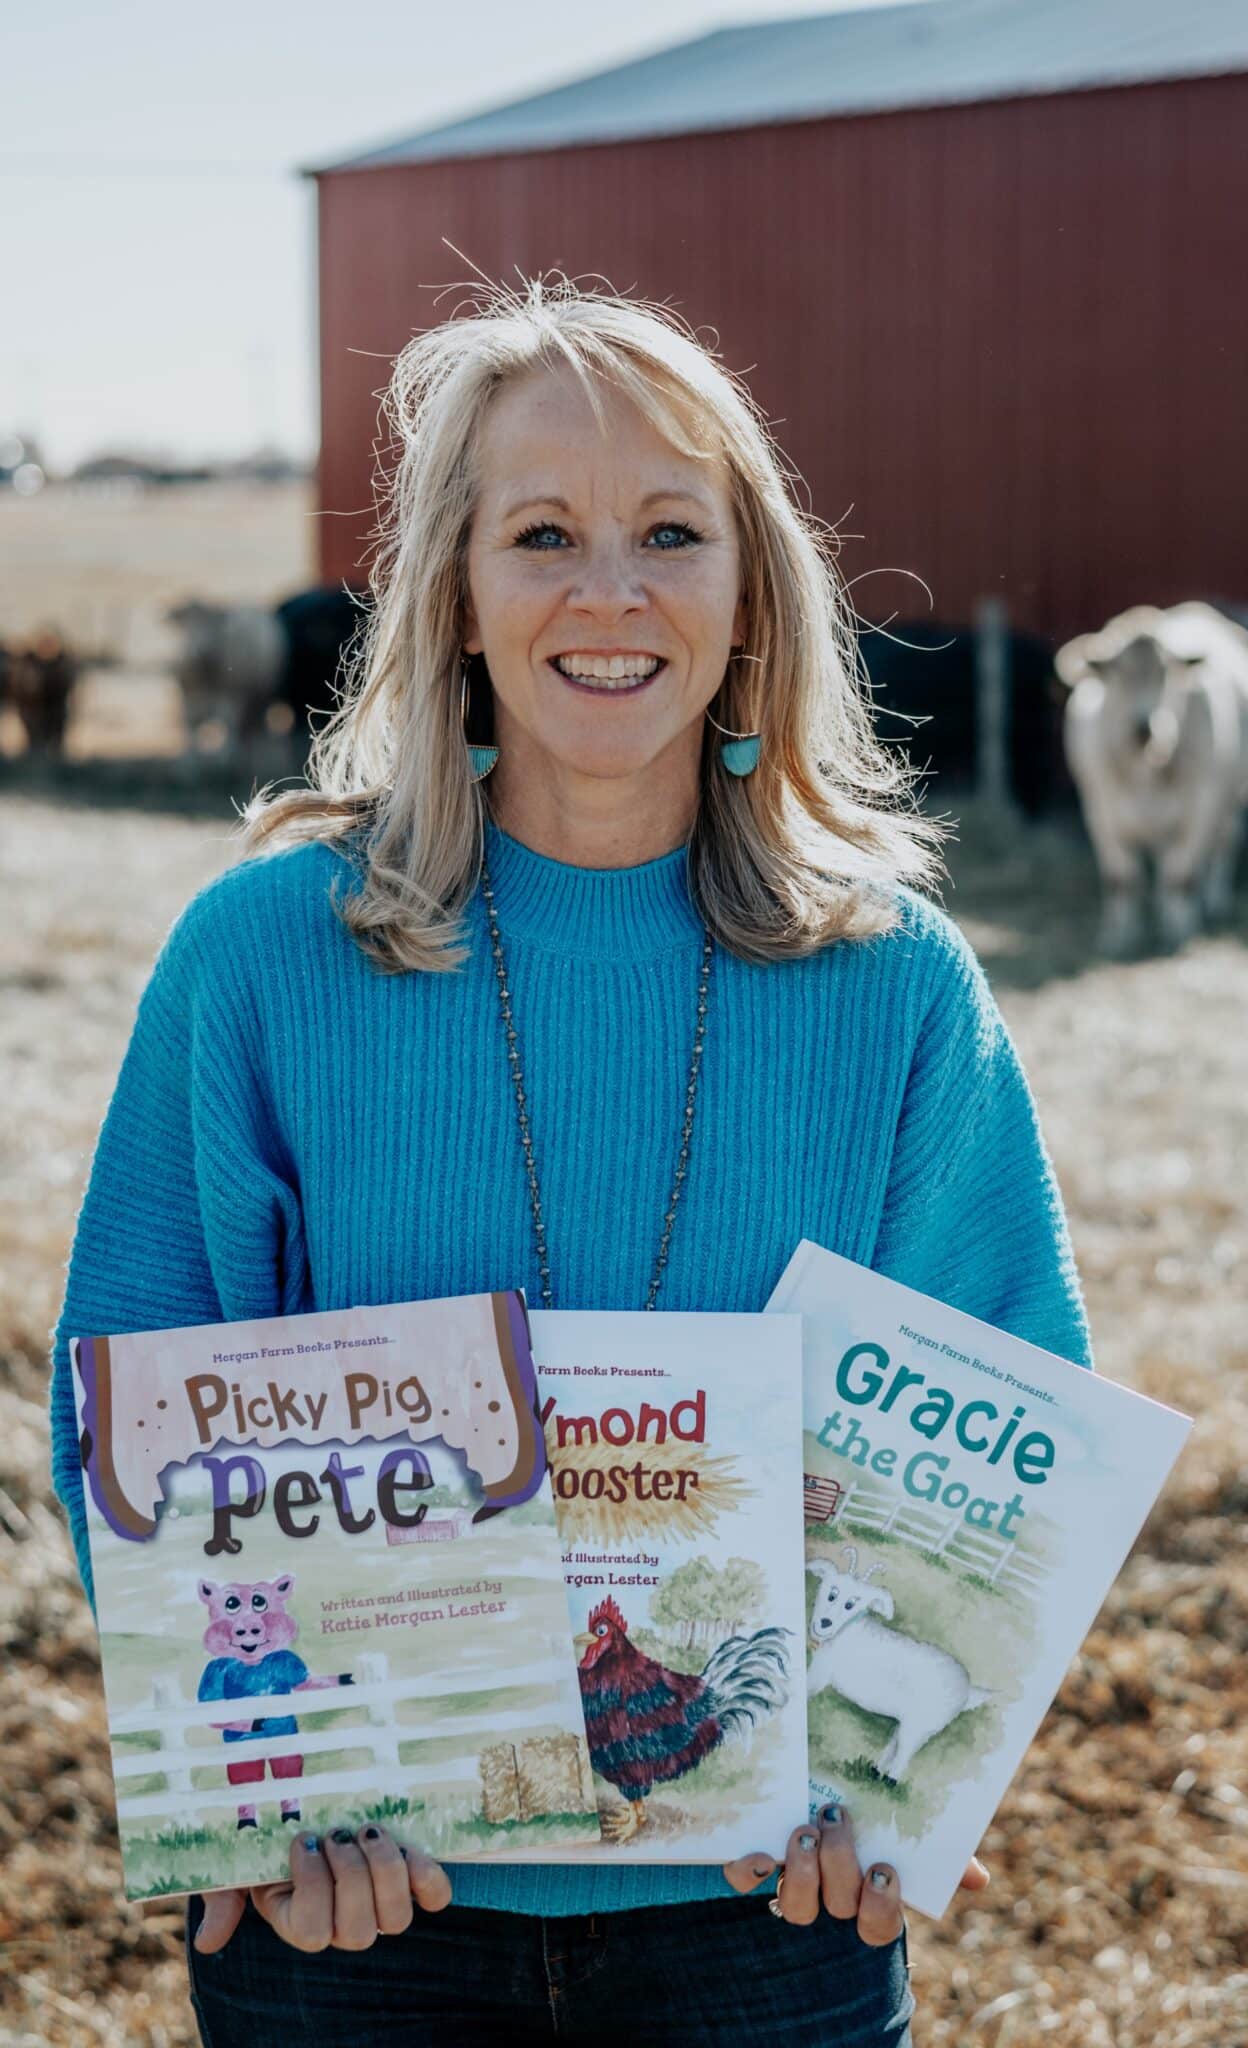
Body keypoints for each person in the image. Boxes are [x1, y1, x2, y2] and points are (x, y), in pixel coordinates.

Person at [49, 277, 1093, 2046]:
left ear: (749, 584)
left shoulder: (898, 988)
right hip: (358, 1916)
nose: (610, 591)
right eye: (543, 532)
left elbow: (1006, 1410)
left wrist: (903, 1792)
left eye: (670, 531)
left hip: (766, 1922)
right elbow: (128, 1410)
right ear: (453, 587)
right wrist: (264, 1780)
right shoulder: (259, 964)